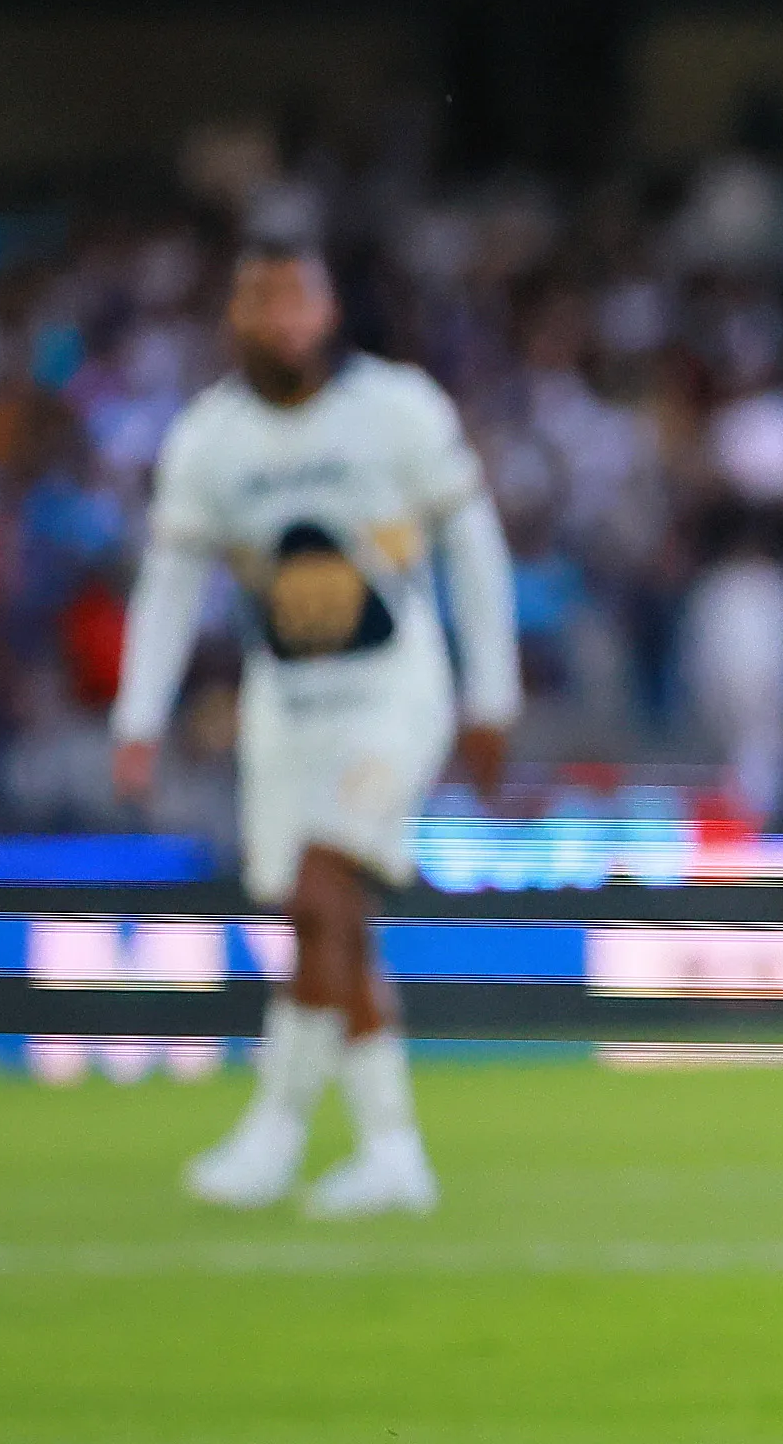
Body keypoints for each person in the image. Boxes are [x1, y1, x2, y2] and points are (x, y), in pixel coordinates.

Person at [113, 237, 518, 1218]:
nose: (284, 319)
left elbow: (472, 545)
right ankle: (391, 1151)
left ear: (329, 311)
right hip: (285, 708)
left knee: (319, 889)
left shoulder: (397, 411)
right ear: (236, 316)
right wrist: (137, 714)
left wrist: (490, 694)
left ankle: (277, 1128)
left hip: (394, 691)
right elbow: (170, 584)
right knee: (325, 918)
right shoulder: (209, 440)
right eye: (263, 300)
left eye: (299, 298)